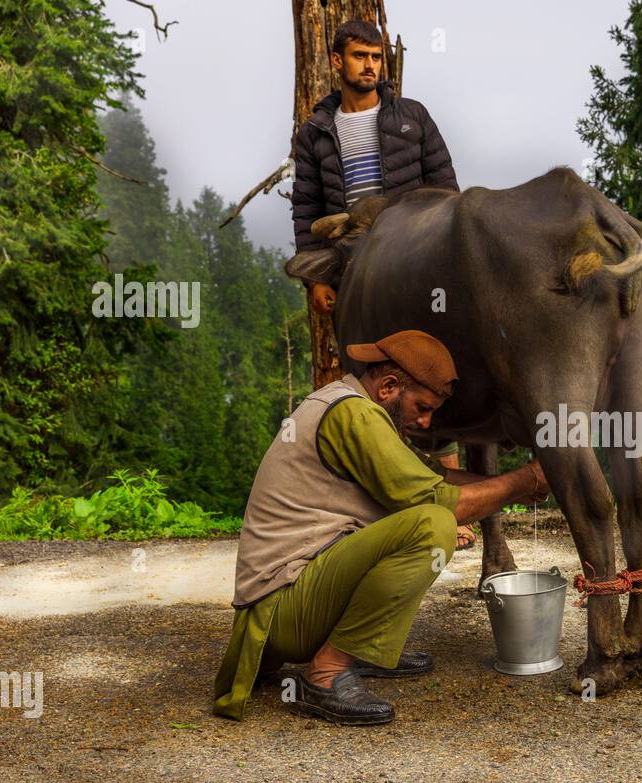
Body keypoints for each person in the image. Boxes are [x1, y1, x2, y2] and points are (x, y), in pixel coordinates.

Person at [213, 330, 548, 725]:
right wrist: (525, 479)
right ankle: (326, 672)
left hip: (287, 604)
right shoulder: (355, 414)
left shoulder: (347, 404)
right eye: (422, 407)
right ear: (389, 386)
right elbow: (435, 501)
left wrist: (517, 486)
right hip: (282, 612)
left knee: (422, 515)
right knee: (432, 526)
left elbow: (428, 476)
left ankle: (365, 647)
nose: (424, 421)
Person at [290, 18, 472, 544]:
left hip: (415, 259)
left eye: (376, 57)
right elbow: (307, 209)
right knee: (369, 371)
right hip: (352, 265)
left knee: (430, 368)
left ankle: (450, 504)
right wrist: (315, 278)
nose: (370, 65)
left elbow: (447, 190)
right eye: (360, 57)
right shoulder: (317, 131)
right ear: (337, 63)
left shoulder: (412, 117)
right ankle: (384, 497)